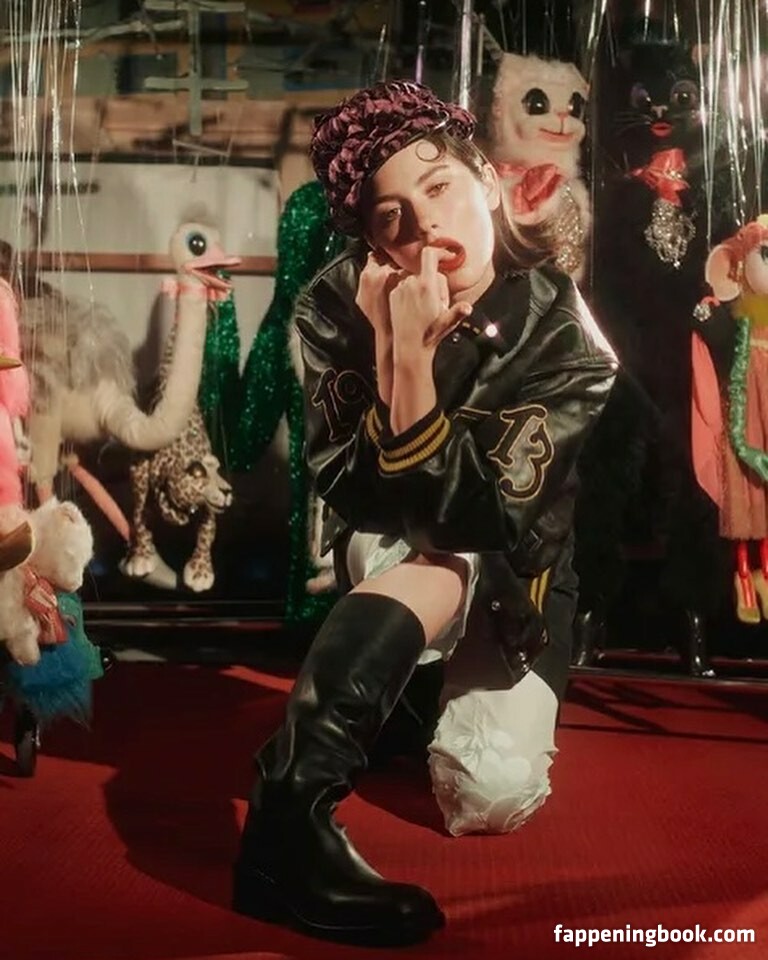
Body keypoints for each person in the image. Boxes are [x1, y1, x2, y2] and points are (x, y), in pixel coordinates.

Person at [233, 80, 618, 947]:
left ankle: (410, 705)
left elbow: (491, 515)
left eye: (439, 185)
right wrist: (397, 352)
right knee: (440, 553)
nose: (426, 226)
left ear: (487, 180)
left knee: (486, 798)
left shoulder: (567, 337)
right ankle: (289, 821)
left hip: (519, 575)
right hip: (401, 549)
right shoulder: (335, 305)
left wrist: (407, 364)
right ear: (372, 242)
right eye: (391, 217)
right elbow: (356, 492)